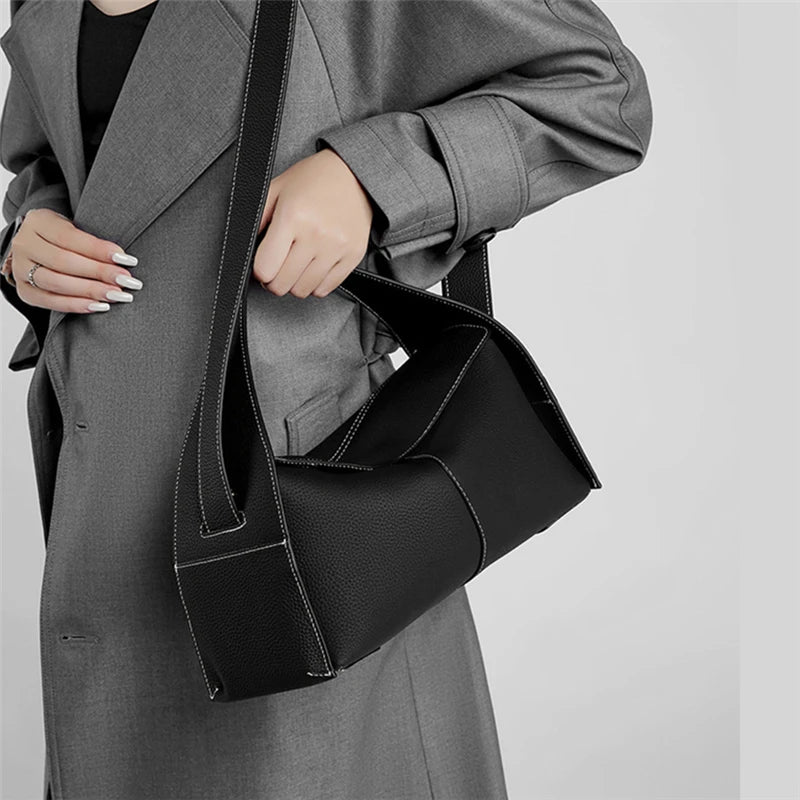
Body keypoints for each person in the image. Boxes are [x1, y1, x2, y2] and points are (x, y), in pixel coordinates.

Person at [0, 1, 653, 798]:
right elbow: (63, 158)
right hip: (97, 498)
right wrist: (29, 233)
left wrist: (371, 180)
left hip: (289, 525)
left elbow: (602, 94)